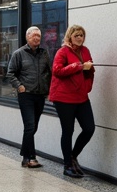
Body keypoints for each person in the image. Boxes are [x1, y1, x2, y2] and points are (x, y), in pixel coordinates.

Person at [49, 24, 96, 178]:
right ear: (70, 36)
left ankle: (73, 156)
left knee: (89, 128)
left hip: (81, 96)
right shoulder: (62, 52)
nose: (80, 38)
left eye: (82, 35)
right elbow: (57, 70)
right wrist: (77, 66)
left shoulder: (85, 51)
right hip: (63, 97)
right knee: (68, 131)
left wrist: (86, 85)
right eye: (76, 35)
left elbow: (89, 71)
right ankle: (67, 165)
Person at [7, 26, 52, 168]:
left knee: (33, 127)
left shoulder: (44, 53)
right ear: (27, 37)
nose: (37, 38)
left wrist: (49, 90)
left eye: (39, 36)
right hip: (26, 95)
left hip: (40, 95)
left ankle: (24, 156)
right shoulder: (19, 53)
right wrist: (20, 87)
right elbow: (10, 73)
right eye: (34, 36)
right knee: (30, 126)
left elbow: (48, 72)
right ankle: (30, 157)